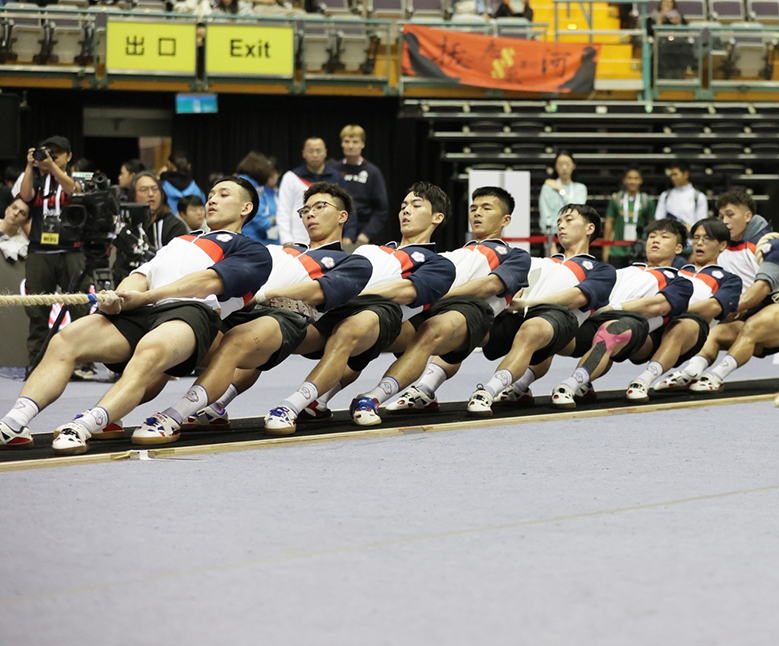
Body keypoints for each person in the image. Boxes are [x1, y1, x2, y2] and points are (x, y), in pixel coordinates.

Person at [0, 177, 272, 454]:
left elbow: (207, 282)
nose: (212, 199)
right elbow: (142, 276)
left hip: (192, 312)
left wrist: (146, 297)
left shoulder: (253, 251)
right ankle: (15, 423)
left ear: (245, 208)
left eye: (224, 194)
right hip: (143, 309)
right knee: (66, 339)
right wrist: (119, 299)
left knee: (150, 352)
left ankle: (84, 425)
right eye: (211, 193)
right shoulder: (180, 241)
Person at [130, 182, 372, 444]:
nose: (310, 214)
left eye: (319, 207)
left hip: (296, 321)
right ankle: (114, 412)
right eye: (305, 209)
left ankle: (175, 415)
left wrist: (265, 296)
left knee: (240, 340)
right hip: (242, 311)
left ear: (342, 215)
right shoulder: (273, 250)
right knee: (174, 347)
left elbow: (319, 292)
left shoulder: (352, 261)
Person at [261, 182, 455, 435]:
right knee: (266, 337)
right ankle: (218, 403)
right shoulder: (368, 250)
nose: (406, 211)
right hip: (333, 310)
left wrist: (350, 290)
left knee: (350, 333)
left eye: (416, 206)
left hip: (380, 316)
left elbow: (407, 292)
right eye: (403, 205)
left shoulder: (439, 263)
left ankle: (292, 405)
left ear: (437, 217)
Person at [348, 185, 532, 424]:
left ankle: (373, 398)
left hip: (471, 313)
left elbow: (490, 286)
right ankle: (317, 399)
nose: (477, 213)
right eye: (473, 208)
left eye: (486, 208)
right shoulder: (450, 254)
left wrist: (435, 295)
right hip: (429, 309)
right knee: (370, 331)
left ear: (506, 219)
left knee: (433, 330)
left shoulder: (514, 255)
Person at [465, 203, 616, 416]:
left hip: (565, 329)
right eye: (559, 222)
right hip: (522, 319)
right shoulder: (540, 262)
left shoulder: (601, 269)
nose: (561, 226)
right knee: (466, 325)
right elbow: (516, 286)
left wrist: (529, 304)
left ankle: (488, 392)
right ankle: (426, 387)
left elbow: (576, 297)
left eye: (569, 220)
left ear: (589, 228)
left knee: (536, 328)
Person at [659, 188, 779, 393]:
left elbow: (762, 286)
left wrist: (730, 308)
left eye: (730, 215)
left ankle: (716, 376)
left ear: (748, 216)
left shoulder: (771, 243)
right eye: (721, 215)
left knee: (751, 326)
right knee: (713, 334)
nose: (724, 220)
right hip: (746, 315)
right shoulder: (722, 249)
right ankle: (690, 372)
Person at [547, 219, 694, 407]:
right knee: (552, 329)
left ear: (679, 248)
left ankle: (569, 385)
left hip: (633, 327)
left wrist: (614, 309)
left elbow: (657, 306)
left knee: (610, 332)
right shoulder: (624, 271)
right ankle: (520, 385)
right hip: (597, 319)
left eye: (664, 237)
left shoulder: (679, 282)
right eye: (652, 236)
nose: (655, 241)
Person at [624, 218, 742, 401]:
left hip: (689, 331)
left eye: (707, 238)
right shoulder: (677, 271)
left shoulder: (729, 279)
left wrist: (671, 307)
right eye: (696, 238)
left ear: (722, 245)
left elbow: (713, 306)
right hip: (657, 323)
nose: (700, 243)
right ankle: (584, 380)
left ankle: (643, 380)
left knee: (681, 326)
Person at [13, 136, 86, 364]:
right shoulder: (34, 178)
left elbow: (73, 191)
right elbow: (25, 196)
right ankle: (37, 361)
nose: (52, 156)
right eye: (48, 152)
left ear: (69, 156)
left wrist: (52, 167)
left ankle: (83, 361)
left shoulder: (77, 178)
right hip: (39, 251)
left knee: (80, 307)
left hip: (71, 250)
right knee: (36, 311)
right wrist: (29, 165)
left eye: (57, 153)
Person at [113, 171, 188, 283]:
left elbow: (177, 266)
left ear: (162, 194)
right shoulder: (128, 228)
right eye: (144, 190)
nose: (151, 194)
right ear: (133, 196)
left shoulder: (174, 226)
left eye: (155, 189)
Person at [276, 137, 344, 247]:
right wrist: (286, 240)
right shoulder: (291, 177)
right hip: (298, 241)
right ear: (304, 153)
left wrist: (347, 236)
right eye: (311, 151)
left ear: (325, 152)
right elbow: (283, 210)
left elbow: (344, 208)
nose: (315, 155)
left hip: (330, 241)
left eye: (318, 151)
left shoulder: (336, 177)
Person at [336, 125, 388, 246]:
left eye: (355, 142)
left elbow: (382, 209)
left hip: (364, 235)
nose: (350, 146)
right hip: (338, 230)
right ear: (342, 144)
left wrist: (366, 234)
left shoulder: (372, 172)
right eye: (347, 141)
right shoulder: (334, 170)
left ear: (362, 144)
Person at [603, 166, 656, 266]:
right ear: (624, 180)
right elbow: (609, 222)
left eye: (636, 178)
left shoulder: (647, 201)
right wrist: (606, 248)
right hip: (616, 249)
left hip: (638, 249)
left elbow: (651, 226)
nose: (632, 181)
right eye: (630, 178)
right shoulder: (616, 199)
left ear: (641, 180)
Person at [538, 150, 588, 254]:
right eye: (560, 164)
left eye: (567, 164)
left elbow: (576, 209)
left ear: (573, 166)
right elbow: (545, 214)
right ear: (555, 167)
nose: (564, 168)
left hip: (575, 235)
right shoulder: (548, 188)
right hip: (553, 236)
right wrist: (550, 241)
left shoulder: (580, 188)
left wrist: (560, 190)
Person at [234, 151, 276, 244]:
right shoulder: (252, 189)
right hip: (251, 241)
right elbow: (263, 223)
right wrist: (276, 220)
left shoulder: (237, 182)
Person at [654, 160, 707, 230]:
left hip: (690, 238)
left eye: (675, 174)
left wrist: (692, 229)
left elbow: (702, 223)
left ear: (686, 174)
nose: (672, 178)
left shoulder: (699, 197)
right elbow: (659, 219)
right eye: (671, 175)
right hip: (670, 236)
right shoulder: (665, 195)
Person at [0, 196, 30, 262]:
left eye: (22, 213)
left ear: (25, 222)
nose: (16, 213)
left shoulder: (23, 246)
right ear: (6, 210)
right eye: (14, 208)